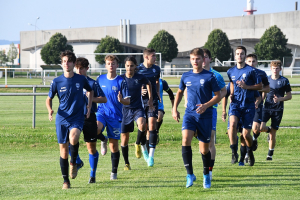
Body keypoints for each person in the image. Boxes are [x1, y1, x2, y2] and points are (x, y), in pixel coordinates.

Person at [172, 48, 221, 189]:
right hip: (190, 114)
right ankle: (190, 175)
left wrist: (206, 105)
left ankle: (206, 175)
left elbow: (218, 95)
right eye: (193, 59)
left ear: (203, 60)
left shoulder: (209, 76)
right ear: (190, 60)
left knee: (204, 150)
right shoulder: (186, 76)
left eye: (198, 59)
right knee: (185, 139)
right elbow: (180, 92)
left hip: (205, 116)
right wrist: (174, 108)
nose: (195, 61)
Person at [46, 50, 93, 189]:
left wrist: (89, 106)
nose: (66, 64)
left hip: (77, 117)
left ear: (73, 63)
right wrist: (50, 110)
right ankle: (66, 181)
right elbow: (49, 99)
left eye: (69, 61)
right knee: (63, 150)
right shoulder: (57, 81)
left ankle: (74, 162)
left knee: (74, 138)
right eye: (64, 61)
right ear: (62, 64)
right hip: (62, 118)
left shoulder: (81, 79)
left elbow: (90, 91)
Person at [96, 55, 130, 180]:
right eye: (109, 63)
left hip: (115, 116)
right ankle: (102, 139)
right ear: (105, 65)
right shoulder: (100, 79)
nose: (111, 65)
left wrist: (122, 100)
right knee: (95, 129)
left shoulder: (121, 81)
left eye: (113, 63)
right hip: (101, 112)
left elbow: (128, 101)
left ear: (117, 65)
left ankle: (114, 172)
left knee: (114, 146)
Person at [227, 46, 262, 166]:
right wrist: (231, 94)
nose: (239, 56)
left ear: (245, 55)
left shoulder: (251, 71)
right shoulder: (230, 71)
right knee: (232, 124)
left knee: (246, 134)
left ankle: (250, 152)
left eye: (242, 54)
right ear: (235, 56)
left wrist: (247, 87)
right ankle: (233, 152)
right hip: (235, 104)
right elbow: (231, 83)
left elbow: (260, 86)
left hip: (248, 106)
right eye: (237, 54)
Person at [74, 57, 107, 183]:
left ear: (87, 68)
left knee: (91, 148)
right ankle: (77, 161)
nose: (79, 71)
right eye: (77, 68)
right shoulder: (72, 81)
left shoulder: (92, 83)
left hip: (89, 117)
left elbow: (103, 99)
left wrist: (91, 98)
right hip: (75, 117)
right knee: (69, 140)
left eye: (81, 68)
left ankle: (92, 175)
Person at [120, 56, 153, 170]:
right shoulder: (120, 79)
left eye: (132, 66)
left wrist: (150, 98)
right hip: (125, 110)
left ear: (135, 66)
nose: (129, 68)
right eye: (127, 66)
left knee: (143, 124)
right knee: (124, 139)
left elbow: (149, 83)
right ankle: (127, 163)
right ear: (125, 66)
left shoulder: (140, 77)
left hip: (138, 108)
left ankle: (137, 143)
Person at [222, 82, 261, 166]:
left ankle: (247, 154)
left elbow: (258, 96)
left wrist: (256, 102)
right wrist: (224, 111)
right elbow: (225, 96)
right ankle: (234, 152)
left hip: (247, 111)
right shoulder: (231, 83)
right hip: (235, 110)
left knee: (244, 135)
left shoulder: (249, 83)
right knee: (231, 129)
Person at [260, 60, 292, 160]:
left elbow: (289, 96)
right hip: (266, 108)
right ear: (271, 69)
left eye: (277, 68)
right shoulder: (267, 79)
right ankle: (268, 130)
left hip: (278, 109)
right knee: (261, 128)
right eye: (273, 68)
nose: (275, 70)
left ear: (280, 69)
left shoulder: (284, 80)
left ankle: (269, 154)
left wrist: (280, 99)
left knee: (273, 133)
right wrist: (260, 101)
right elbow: (264, 93)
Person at [137, 48, 161, 167]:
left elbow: (156, 81)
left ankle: (151, 156)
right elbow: (133, 82)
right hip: (140, 102)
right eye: (153, 56)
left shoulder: (156, 69)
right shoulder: (138, 69)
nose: (155, 58)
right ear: (146, 57)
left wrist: (157, 92)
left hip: (153, 101)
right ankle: (143, 149)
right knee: (143, 126)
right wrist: (139, 90)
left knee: (152, 125)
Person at [245, 54, 270, 153]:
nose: (251, 63)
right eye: (249, 61)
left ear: (257, 62)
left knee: (255, 128)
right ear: (246, 62)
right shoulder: (242, 73)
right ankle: (246, 151)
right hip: (244, 104)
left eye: (253, 61)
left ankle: (254, 139)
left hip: (257, 103)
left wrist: (258, 89)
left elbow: (267, 88)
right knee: (244, 132)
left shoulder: (261, 74)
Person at [142, 78, 174, 149]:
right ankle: (148, 154)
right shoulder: (143, 80)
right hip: (145, 107)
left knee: (159, 116)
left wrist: (173, 108)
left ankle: (156, 131)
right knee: (147, 132)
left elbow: (170, 93)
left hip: (158, 107)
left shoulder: (162, 82)